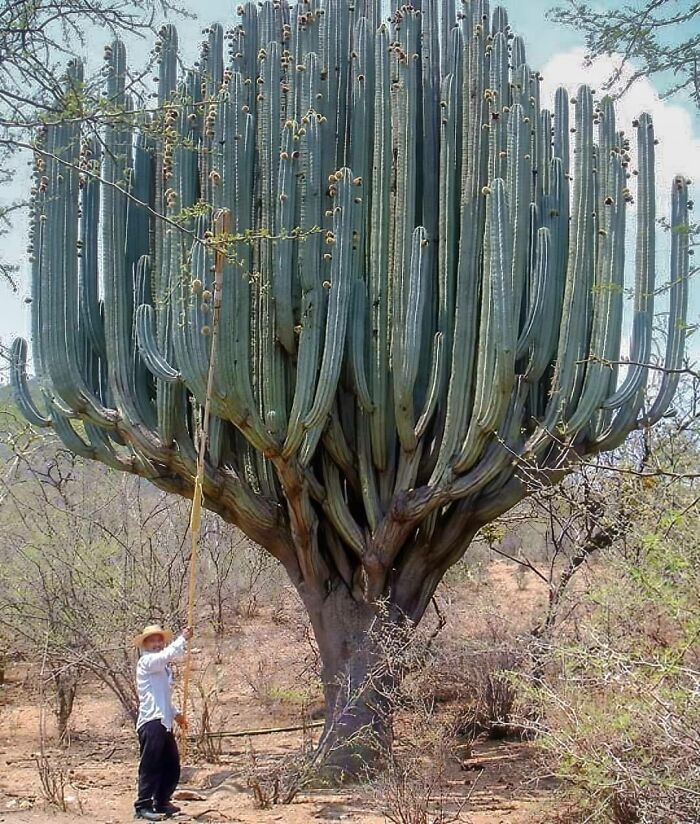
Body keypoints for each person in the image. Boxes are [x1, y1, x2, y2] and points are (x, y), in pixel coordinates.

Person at [132, 623, 192, 821]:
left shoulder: (163, 669)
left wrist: (177, 714)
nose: (157, 643)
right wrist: (182, 639)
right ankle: (143, 805)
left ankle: (161, 801)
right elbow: (164, 656)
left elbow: (163, 697)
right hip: (151, 721)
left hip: (164, 721)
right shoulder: (147, 662)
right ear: (145, 644)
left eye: (159, 640)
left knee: (171, 764)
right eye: (152, 640)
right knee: (151, 764)